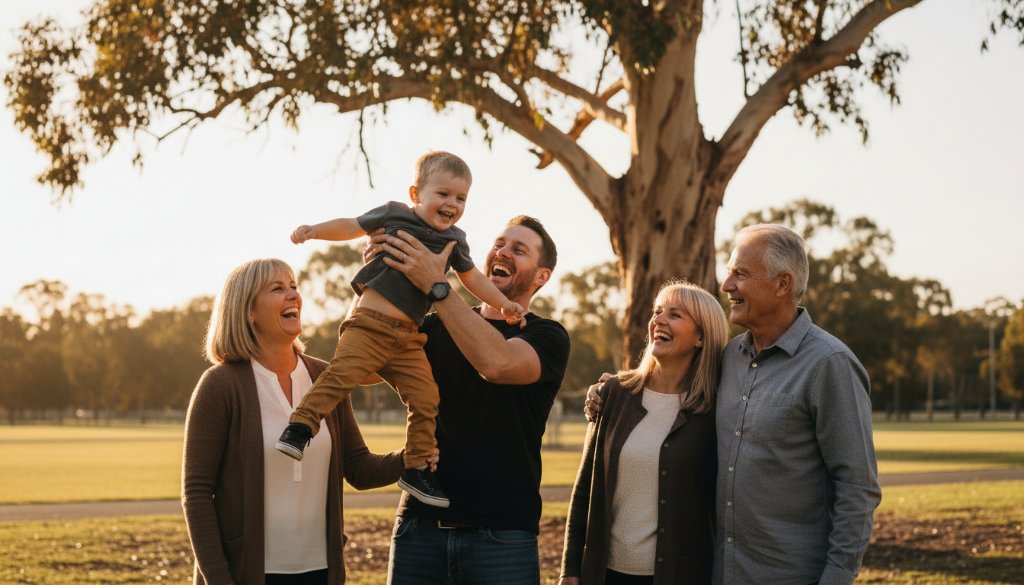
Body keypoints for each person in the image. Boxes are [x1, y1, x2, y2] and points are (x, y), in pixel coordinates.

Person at [586, 224, 881, 585]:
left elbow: (857, 487)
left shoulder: (830, 364)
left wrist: (836, 578)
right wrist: (608, 392)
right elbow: (666, 379)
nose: (727, 286)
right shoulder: (728, 359)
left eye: (740, 274)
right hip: (721, 573)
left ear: (782, 284)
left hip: (793, 576)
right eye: (729, 273)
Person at [277, 151, 524, 509]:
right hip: (369, 325)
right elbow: (351, 225)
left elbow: (472, 278)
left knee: (427, 398)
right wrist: (315, 231)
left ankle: (417, 465)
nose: (452, 204)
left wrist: (502, 303)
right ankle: (300, 427)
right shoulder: (393, 215)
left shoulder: (455, 240)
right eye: (443, 194)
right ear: (415, 194)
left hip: (409, 338)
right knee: (340, 377)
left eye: (461, 198)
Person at [182, 258, 416, 585]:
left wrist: (411, 457)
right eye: (278, 288)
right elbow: (196, 492)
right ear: (248, 310)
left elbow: (358, 467)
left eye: (293, 286)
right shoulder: (220, 385)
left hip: (321, 573)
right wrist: (219, 579)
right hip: (246, 575)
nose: (293, 295)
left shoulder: (325, 378)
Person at [374, 215, 570, 585]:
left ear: (542, 276)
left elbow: (496, 363)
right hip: (418, 527)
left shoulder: (548, 336)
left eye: (519, 249)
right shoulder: (432, 325)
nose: (503, 252)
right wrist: (379, 280)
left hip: (502, 536)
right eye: (499, 243)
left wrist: (438, 286)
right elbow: (365, 364)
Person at [560, 281, 729, 585]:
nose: (658, 320)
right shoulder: (614, 394)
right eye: (657, 311)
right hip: (603, 575)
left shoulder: (713, 412)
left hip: (678, 576)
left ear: (701, 337)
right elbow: (586, 486)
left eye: (675, 315)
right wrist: (570, 569)